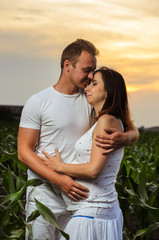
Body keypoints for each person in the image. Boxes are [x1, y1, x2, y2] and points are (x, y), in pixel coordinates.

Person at [18, 39, 139, 240]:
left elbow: (131, 129)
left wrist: (124, 138)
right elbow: (24, 152)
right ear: (68, 65)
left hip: (81, 200)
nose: (91, 76)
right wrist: (59, 179)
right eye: (87, 70)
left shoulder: (91, 99)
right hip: (45, 196)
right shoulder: (38, 102)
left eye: (94, 71)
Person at [41, 67, 133, 240]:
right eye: (89, 83)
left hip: (92, 213)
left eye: (94, 83)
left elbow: (94, 170)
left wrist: (59, 166)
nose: (87, 88)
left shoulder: (107, 120)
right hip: (101, 210)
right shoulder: (108, 120)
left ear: (108, 92)